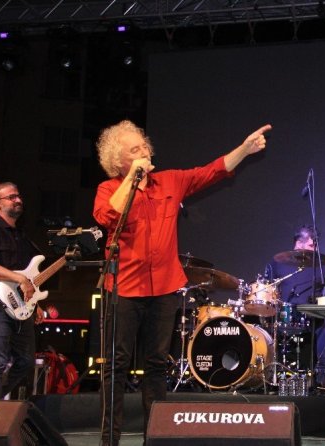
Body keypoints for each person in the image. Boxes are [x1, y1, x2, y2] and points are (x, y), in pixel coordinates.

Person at [92, 119, 271, 445]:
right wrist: (132, 178)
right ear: (118, 161)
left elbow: (212, 171)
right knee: (115, 367)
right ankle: (109, 441)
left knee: (156, 365)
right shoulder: (108, 190)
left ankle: (154, 439)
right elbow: (108, 216)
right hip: (123, 289)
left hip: (164, 289)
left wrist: (244, 150)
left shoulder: (170, 181)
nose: (144, 152)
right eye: (134, 151)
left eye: (144, 146)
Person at [0, 182, 44, 400]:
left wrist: (35, 302)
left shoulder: (22, 237)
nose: (18, 200)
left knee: (26, 361)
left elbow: (28, 277)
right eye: (11, 197)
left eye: (18, 196)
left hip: (21, 308)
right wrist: (19, 279)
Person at [264, 225, 325, 382]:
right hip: (285, 313)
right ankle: (272, 372)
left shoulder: (322, 264)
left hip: (313, 313)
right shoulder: (278, 263)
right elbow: (267, 288)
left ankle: (322, 376)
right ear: (299, 243)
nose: (315, 249)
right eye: (311, 245)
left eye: (316, 245)